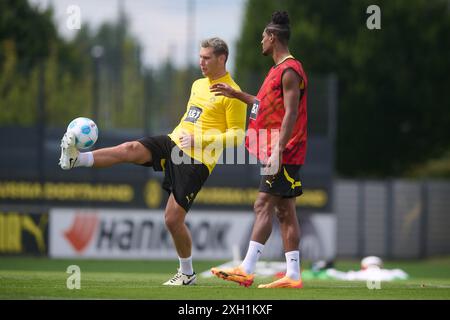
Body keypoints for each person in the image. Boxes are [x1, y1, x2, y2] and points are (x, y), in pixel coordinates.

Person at [58, 37, 247, 286]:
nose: (201, 62)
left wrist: (198, 140)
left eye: (206, 58)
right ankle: (77, 159)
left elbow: (238, 135)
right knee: (130, 148)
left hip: (196, 160)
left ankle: (187, 273)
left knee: (171, 219)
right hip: (173, 142)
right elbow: (192, 119)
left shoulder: (232, 93)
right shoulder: (198, 85)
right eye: (200, 56)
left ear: (222, 58)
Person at [209, 11, 307, 288]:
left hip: (284, 151)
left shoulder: (289, 70)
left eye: (263, 36)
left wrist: (278, 149)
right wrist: (237, 94)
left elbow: (290, 113)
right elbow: (265, 106)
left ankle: (247, 268)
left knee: (262, 204)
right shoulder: (277, 71)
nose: (260, 40)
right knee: (285, 211)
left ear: (273, 37)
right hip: (282, 149)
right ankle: (293, 275)